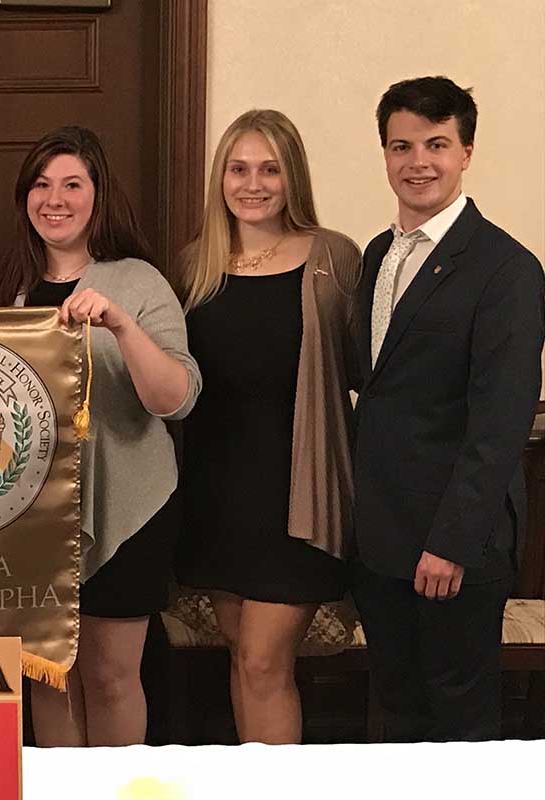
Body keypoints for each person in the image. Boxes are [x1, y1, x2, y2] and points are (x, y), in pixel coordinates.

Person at [0, 126, 200, 746]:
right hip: (28, 516)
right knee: (47, 676)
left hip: (127, 504)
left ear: (98, 196)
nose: (56, 199)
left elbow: (175, 400)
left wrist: (123, 327)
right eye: (42, 185)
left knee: (109, 676)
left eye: (72, 184)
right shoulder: (1, 292)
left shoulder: (139, 281)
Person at [352, 76, 544, 741]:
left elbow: (501, 422)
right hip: (379, 539)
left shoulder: (506, 269)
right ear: (384, 154)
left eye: (436, 144)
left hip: (453, 544)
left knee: (459, 726)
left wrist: (451, 543)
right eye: (401, 146)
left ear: (466, 152)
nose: (418, 162)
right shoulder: (377, 255)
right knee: (396, 711)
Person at [172, 110, 362, 744]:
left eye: (269, 168)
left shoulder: (335, 256)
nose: (252, 184)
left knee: (263, 660)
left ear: (293, 176)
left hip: (298, 496)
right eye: (238, 168)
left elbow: (371, 370)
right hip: (216, 492)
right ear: (220, 177)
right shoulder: (195, 263)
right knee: (242, 658)